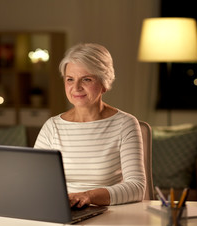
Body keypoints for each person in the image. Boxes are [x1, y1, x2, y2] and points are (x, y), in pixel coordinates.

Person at [34, 43, 146, 208]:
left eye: (86, 79)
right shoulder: (52, 126)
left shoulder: (125, 124)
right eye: (70, 79)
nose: (76, 87)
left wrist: (88, 196)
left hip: (109, 214)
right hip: (62, 213)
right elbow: (33, 180)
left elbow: (136, 188)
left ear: (104, 83)